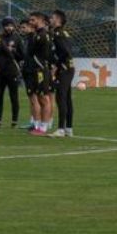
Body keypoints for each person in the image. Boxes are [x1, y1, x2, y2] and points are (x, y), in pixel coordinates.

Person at [27, 11, 54, 135]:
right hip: (37, 70)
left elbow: (37, 53)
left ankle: (43, 127)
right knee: (39, 97)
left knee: (44, 98)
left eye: (33, 20)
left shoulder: (42, 35)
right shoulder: (38, 34)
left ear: (40, 20)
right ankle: (40, 126)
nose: (30, 22)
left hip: (41, 70)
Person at [0, 16, 25, 129]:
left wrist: (14, 52)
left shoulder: (17, 39)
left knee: (14, 97)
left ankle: (14, 121)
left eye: (11, 25)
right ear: (3, 26)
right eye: (7, 25)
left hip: (12, 71)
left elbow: (23, 55)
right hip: (0, 72)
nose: (9, 27)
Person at [50, 9, 75, 138]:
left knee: (61, 98)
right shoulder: (66, 33)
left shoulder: (57, 33)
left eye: (52, 17)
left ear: (58, 20)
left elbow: (65, 51)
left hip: (64, 68)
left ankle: (61, 129)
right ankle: (69, 128)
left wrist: (58, 65)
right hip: (69, 68)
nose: (50, 19)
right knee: (67, 98)